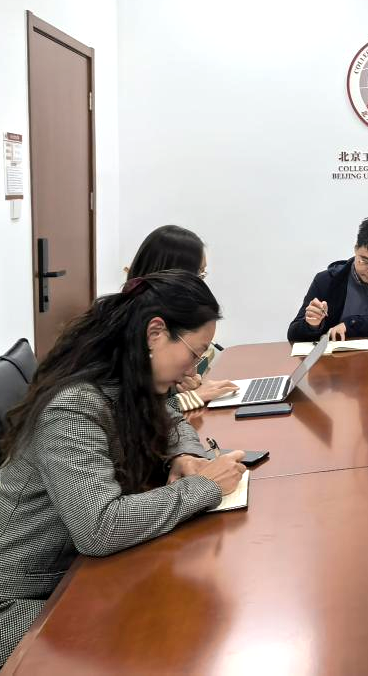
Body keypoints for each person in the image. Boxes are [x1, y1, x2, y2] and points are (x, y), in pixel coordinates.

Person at [0, 271, 247, 666]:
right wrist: (205, 486)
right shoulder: (73, 407)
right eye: (194, 354)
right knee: (146, 638)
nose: (193, 373)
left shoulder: (129, 381)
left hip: (75, 574)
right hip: (18, 599)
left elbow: (170, 417)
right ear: (155, 334)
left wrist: (184, 457)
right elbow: (99, 528)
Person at [126, 224, 237, 409]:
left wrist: (179, 387)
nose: (200, 283)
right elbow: (131, 414)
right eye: (199, 274)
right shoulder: (127, 330)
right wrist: (190, 398)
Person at [287, 216, 368, 342]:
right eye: (365, 261)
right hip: (336, 355)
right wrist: (312, 325)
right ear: (355, 249)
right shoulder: (326, 280)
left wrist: (353, 323)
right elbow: (293, 334)